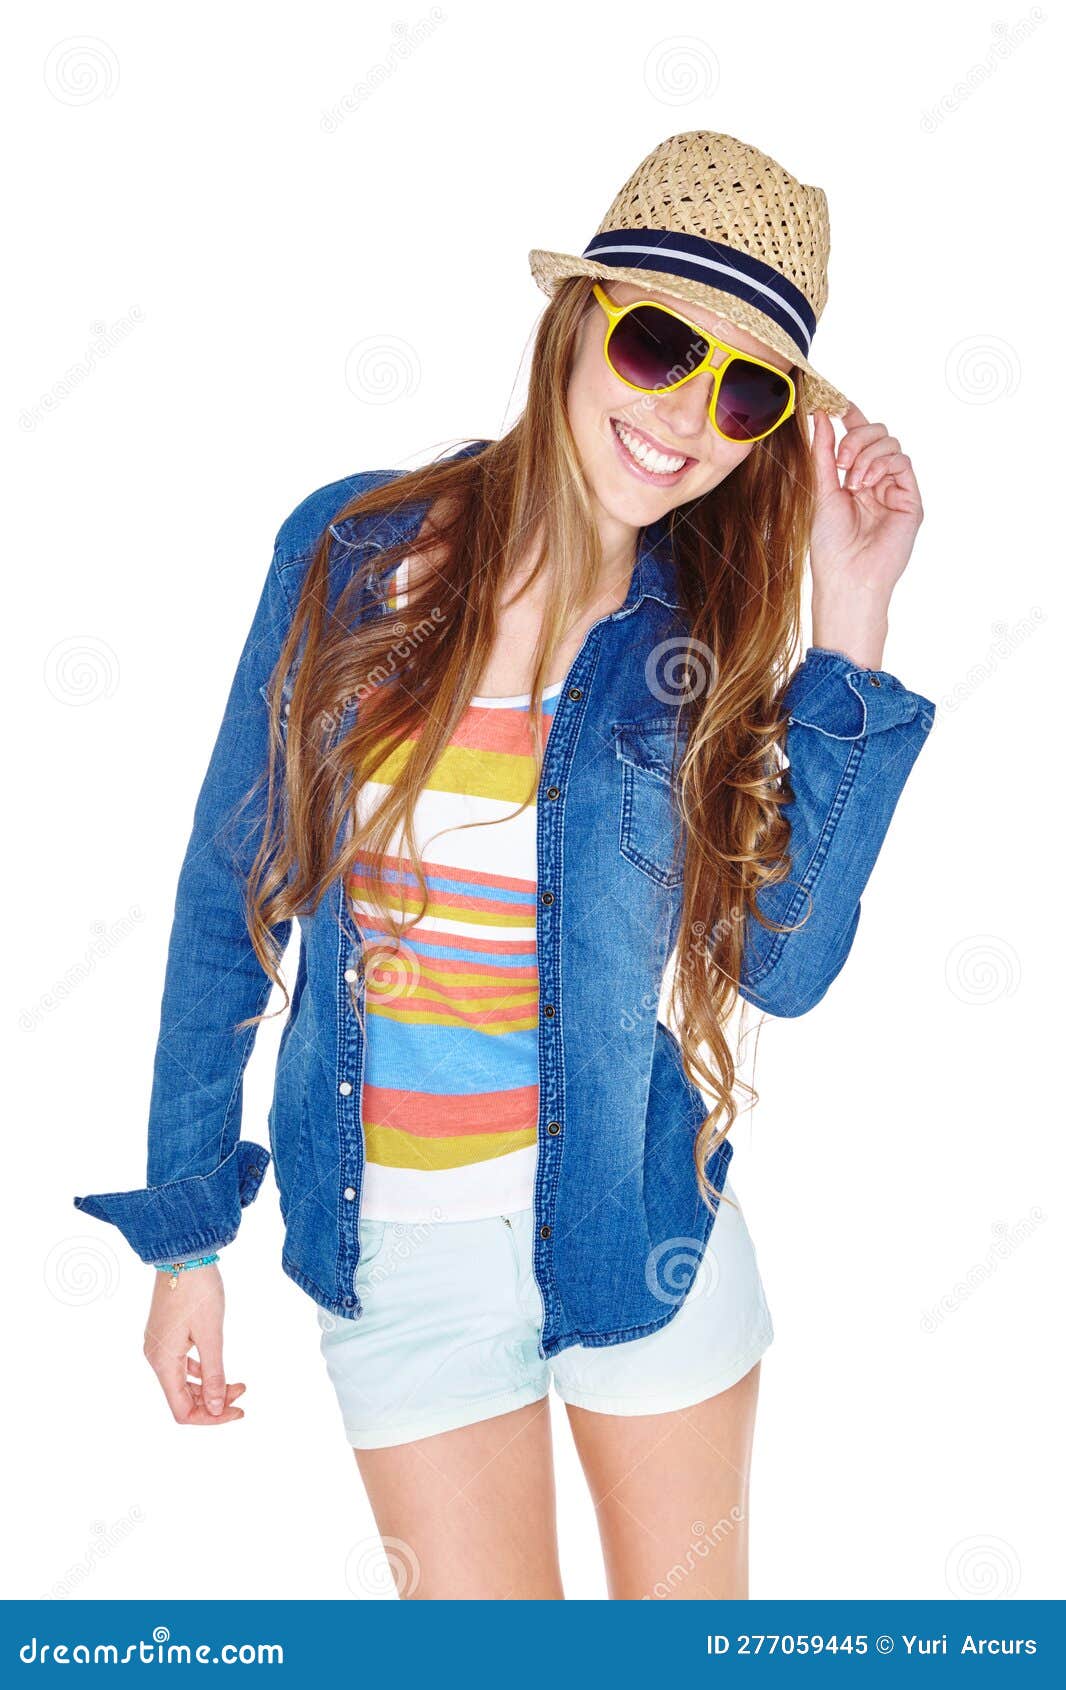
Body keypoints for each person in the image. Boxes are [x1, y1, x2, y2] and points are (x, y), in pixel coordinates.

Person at [72, 130, 935, 1600]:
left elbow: (783, 967)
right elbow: (231, 902)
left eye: (745, 390)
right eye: (660, 341)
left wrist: (848, 621)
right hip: (398, 1263)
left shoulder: (701, 647)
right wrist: (185, 1232)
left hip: (635, 1238)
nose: (685, 416)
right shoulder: (352, 552)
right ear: (576, 322)